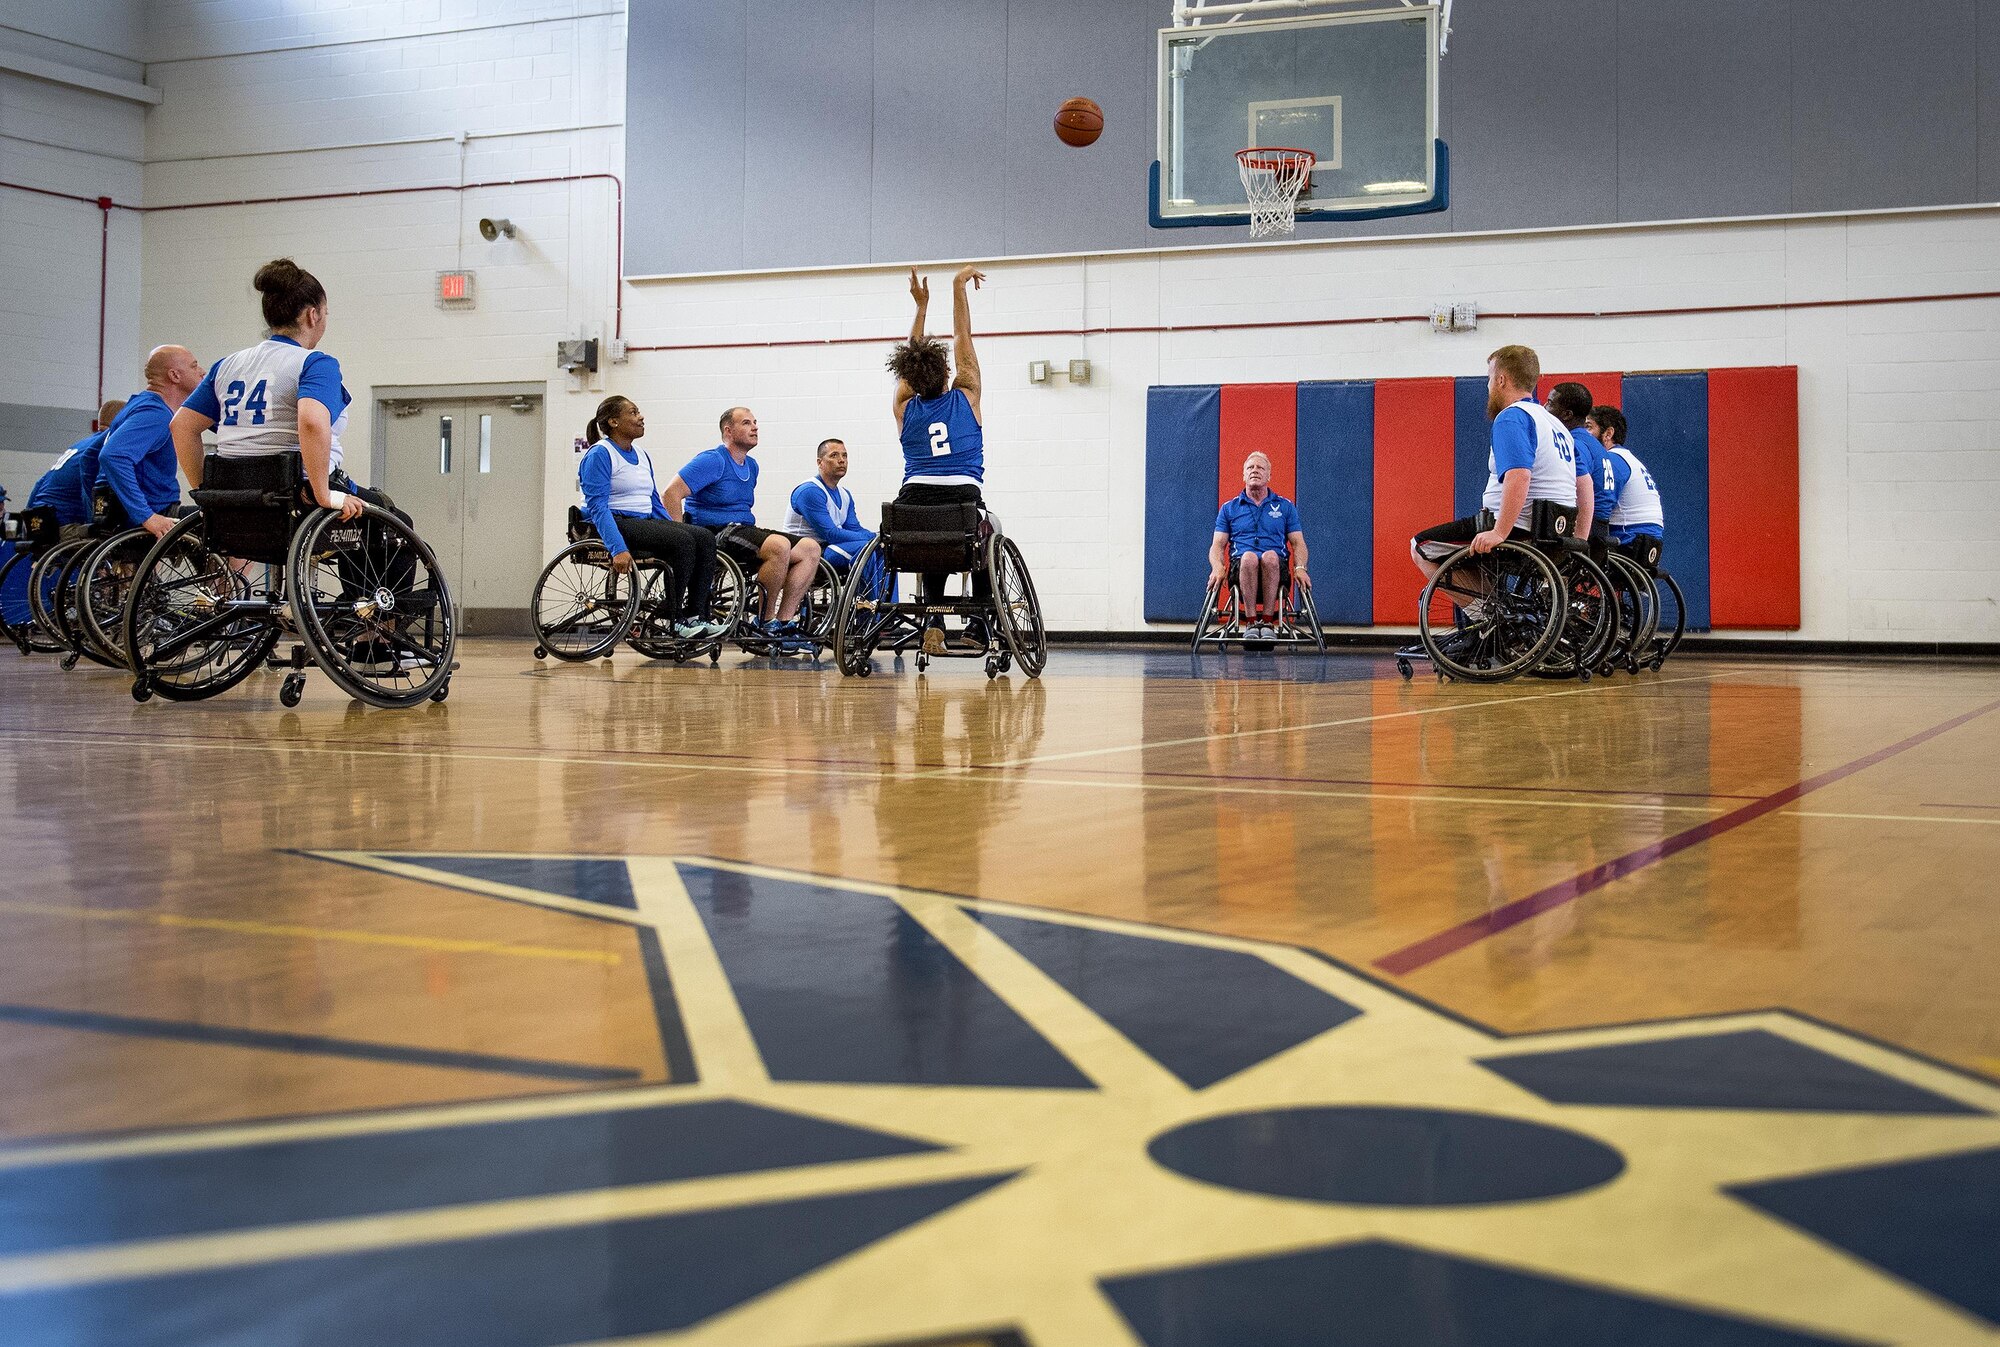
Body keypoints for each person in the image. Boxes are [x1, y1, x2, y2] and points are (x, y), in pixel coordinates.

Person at [1410, 344, 1578, 584]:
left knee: (1420, 547)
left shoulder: (1512, 417)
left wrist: (1499, 531)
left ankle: (1485, 616)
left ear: (1501, 380)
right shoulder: (1557, 425)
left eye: (1489, 379)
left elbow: (1519, 476)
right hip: (1554, 531)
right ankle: (1493, 611)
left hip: (1520, 529)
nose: (1487, 387)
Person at [889, 264, 990, 654]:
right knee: (987, 533)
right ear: (947, 372)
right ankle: (979, 624)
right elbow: (963, 336)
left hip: (911, 502)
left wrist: (920, 307)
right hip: (962, 497)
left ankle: (932, 618)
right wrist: (957, 286)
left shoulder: (904, 407)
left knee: (932, 538)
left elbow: (912, 357)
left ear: (909, 377)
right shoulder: (967, 394)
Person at [664, 407, 822, 649]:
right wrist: (680, 535)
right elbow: (671, 494)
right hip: (713, 531)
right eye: (747, 423)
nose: (755, 427)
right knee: (779, 547)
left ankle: (784, 621)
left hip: (742, 528)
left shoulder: (752, 466)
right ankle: (765, 622)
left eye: (755, 422)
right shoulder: (713, 460)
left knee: (810, 549)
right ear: (728, 430)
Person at [577, 395, 727, 640]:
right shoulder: (600, 454)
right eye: (633, 412)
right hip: (615, 522)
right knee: (683, 542)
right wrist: (617, 549)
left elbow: (654, 503)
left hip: (642, 521)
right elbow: (598, 507)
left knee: (704, 537)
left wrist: (676, 528)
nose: (641, 416)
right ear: (614, 422)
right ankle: (673, 618)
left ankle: (696, 615)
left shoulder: (642, 455)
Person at [97, 347, 203, 539]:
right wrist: (147, 516)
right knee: (233, 523)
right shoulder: (155, 414)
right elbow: (111, 456)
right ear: (175, 376)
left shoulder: (137, 405)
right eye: (194, 366)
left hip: (118, 510)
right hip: (156, 511)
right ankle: (231, 571)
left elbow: (89, 456)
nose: (202, 372)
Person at [1208, 451, 1309, 638]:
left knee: (1270, 556)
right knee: (1249, 557)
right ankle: (1252, 622)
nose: (1255, 471)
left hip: (1277, 569)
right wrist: (1217, 567)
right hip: (1241, 569)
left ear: (1269, 476)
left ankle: (1269, 623)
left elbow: (1298, 543)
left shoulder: (1285, 506)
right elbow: (1217, 545)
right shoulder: (1229, 508)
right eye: (1250, 468)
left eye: (1260, 467)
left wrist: (1301, 567)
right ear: (1244, 475)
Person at [26, 401, 126, 537]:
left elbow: (40, 483)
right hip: (65, 524)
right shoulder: (104, 446)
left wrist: (27, 525)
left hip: (40, 521)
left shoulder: (79, 445)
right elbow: (92, 487)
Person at [785, 438, 874, 572]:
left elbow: (854, 528)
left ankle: (885, 594)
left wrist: (880, 538)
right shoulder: (810, 491)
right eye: (834, 455)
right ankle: (868, 593)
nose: (841, 460)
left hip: (829, 547)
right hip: (807, 552)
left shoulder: (845, 495)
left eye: (844, 455)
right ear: (819, 463)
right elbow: (831, 534)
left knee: (884, 552)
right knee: (867, 550)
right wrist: (871, 538)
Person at [1586, 405, 1666, 551]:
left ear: (1608, 434)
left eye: (1589, 427)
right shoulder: (1628, 459)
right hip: (1647, 539)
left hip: (1629, 538)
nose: (1584, 434)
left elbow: (1600, 507)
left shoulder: (1612, 460)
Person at [1546, 381, 1608, 562]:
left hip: (1586, 526)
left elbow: (1582, 485)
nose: (1544, 407)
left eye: (1550, 403)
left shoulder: (1574, 443)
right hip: (1601, 527)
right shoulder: (1596, 445)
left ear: (1566, 414)